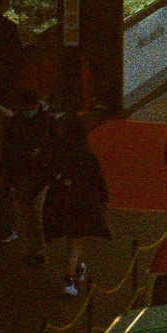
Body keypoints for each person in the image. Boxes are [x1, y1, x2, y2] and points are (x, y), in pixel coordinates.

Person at [40, 111, 108, 299]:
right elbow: (98, 182)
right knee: (76, 240)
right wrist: (104, 198)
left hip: (63, 203)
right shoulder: (88, 158)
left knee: (72, 240)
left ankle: (77, 267)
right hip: (82, 205)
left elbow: (49, 175)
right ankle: (69, 278)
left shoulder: (60, 156)